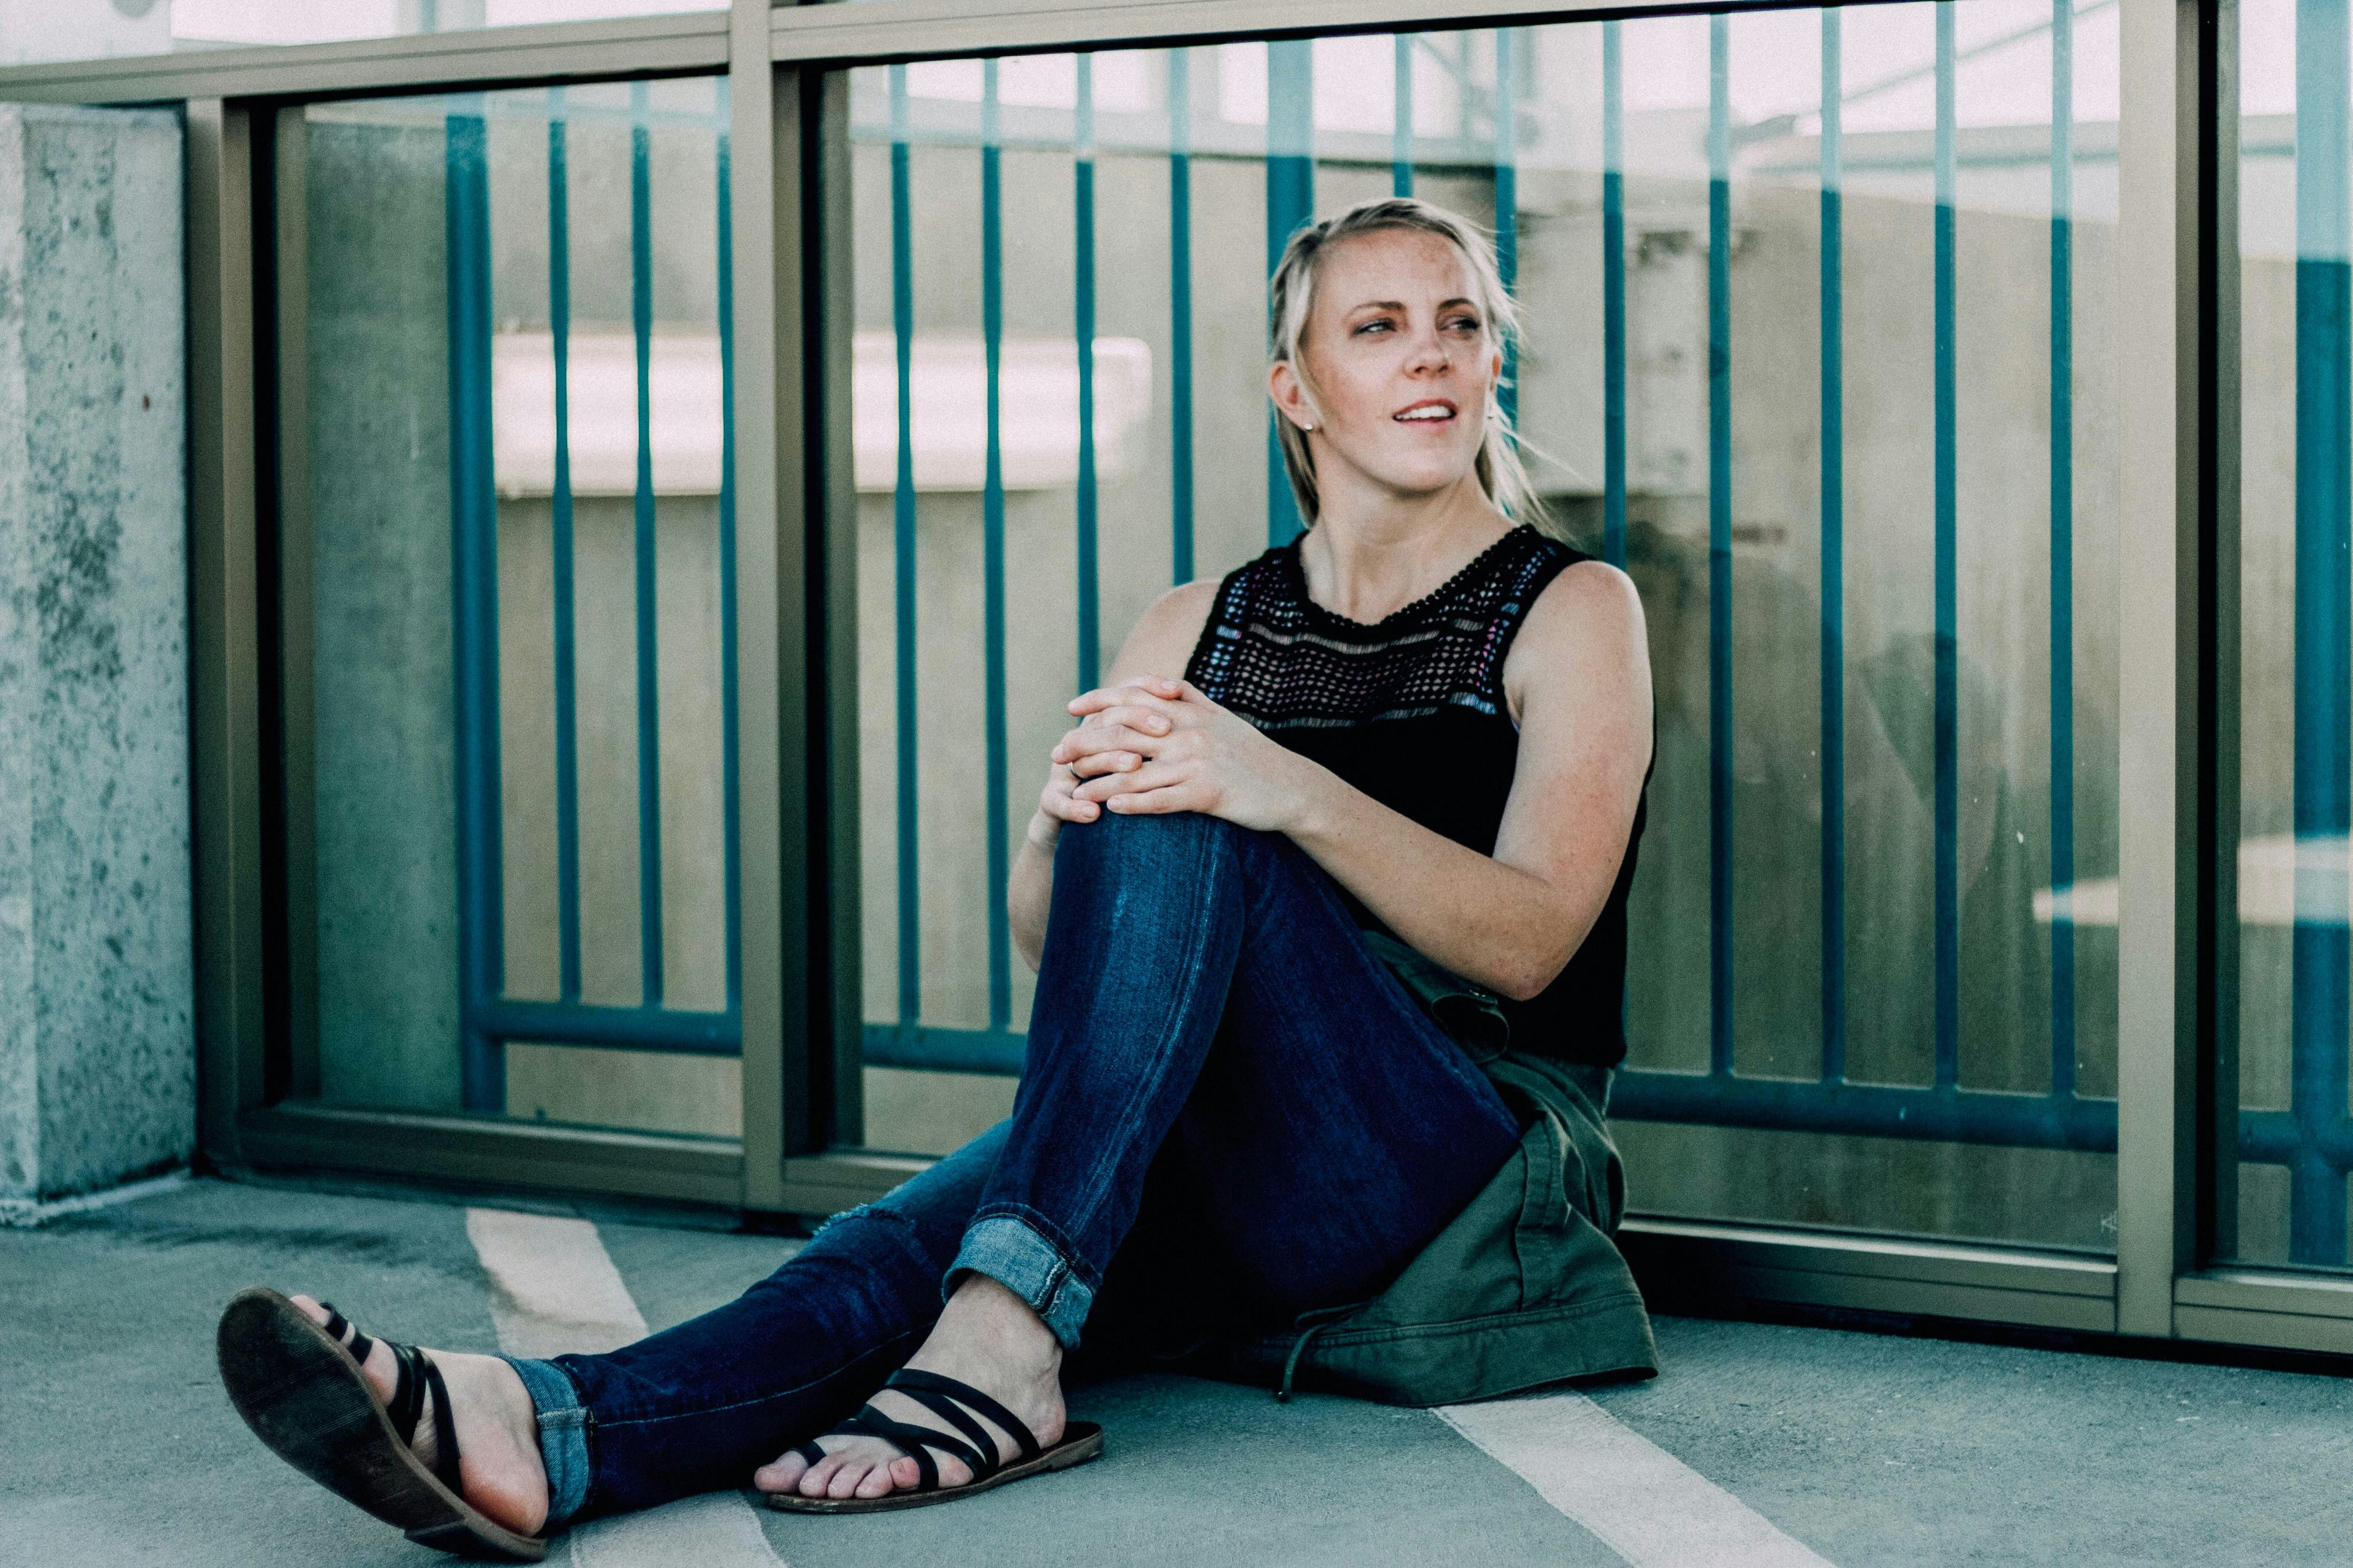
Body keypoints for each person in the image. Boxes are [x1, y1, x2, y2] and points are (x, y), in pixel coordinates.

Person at [216, 195, 1657, 1560]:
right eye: (1380, 326)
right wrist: (1055, 834)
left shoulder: (1570, 607)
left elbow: (1531, 946)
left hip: (1445, 1154)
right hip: (1224, 1140)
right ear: (1294, 390)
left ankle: (1005, 1329)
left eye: (1460, 324)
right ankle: (541, 1427)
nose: (1432, 355)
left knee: (1163, 836)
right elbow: (1072, 947)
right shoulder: (1193, 624)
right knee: (897, 1249)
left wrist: (1275, 788)